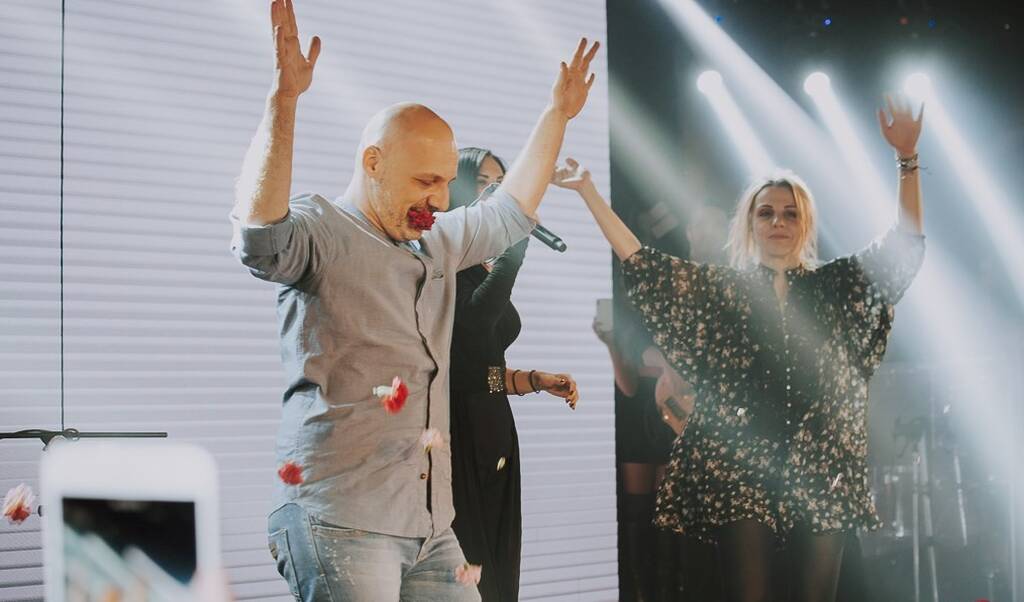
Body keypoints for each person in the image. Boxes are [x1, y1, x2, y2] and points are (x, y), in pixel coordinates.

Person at [229, 0, 600, 599]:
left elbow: (508, 214)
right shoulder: (321, 228)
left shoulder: (437, 241)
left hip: (430, 525)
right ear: (373, 163)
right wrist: (284, 101)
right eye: (425, 181)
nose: (440, 199)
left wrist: (557, 114)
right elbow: (260, 238)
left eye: (446, 182)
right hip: (340, 517)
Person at [554, 95, 926, 602]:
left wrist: (907, 160)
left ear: (805, 223)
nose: (778, 222)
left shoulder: (836, 286)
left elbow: (904, 248)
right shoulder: (724, 290)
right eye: (766, 213)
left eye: (790, 214)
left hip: (822, 466)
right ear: (750, 224)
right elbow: (643, 262)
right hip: (742, 466)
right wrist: (589, 192)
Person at [447, 147, 579, 602]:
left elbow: (482, 370)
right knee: (469, 571)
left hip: (494, 429)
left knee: (500, 571)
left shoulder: (482, 266)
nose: (496, 191)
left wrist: (534, 380)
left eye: (502, 182)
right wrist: (514, 250)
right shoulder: (443, 262)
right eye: (484, 181)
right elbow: (474, 328)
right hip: (456, 432)